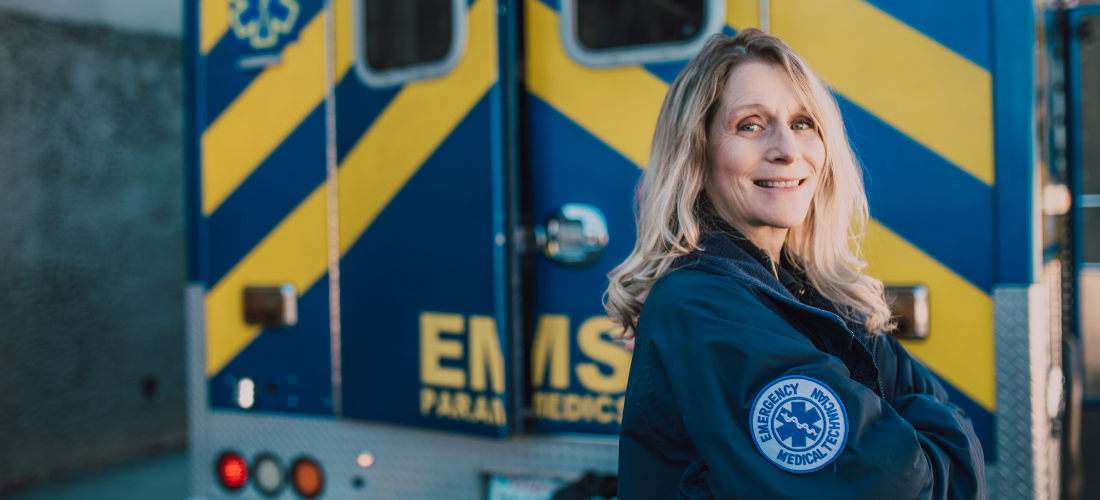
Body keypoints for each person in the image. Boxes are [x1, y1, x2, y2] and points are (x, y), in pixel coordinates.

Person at [605, 29, 985, 499]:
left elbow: (939, 440)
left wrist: (923, 438)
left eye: (803, 123)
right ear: (697, 153)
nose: (787, 149)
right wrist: (931, 434)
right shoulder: (700, 306)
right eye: (750, 125)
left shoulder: (806, 290)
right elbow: (893, 486)